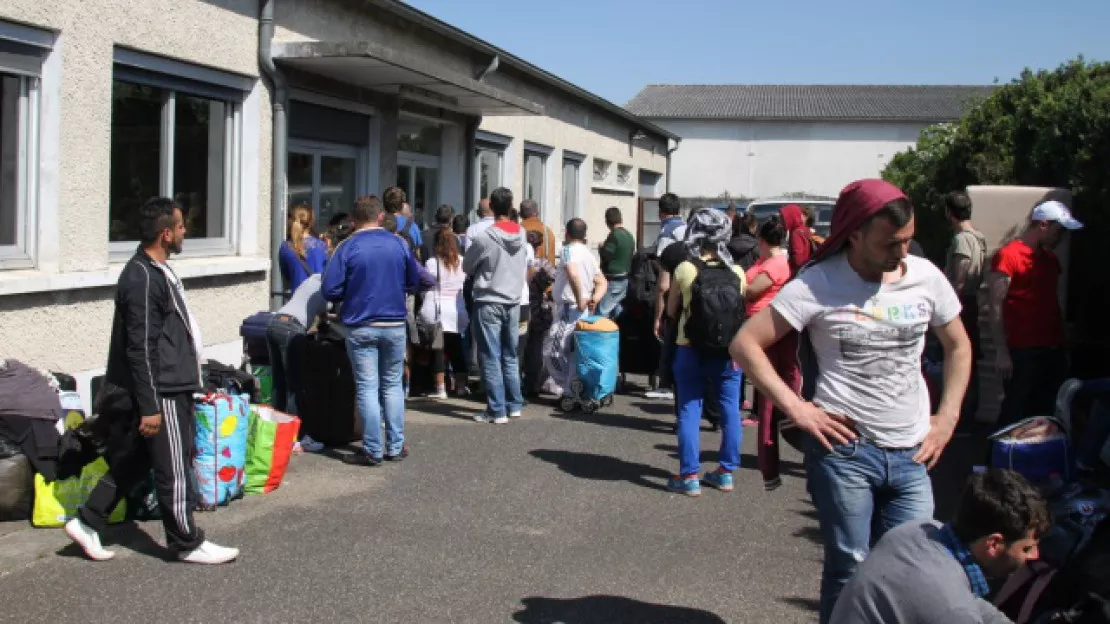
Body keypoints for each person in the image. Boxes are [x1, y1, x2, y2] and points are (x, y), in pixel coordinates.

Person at [730, 179, 972, 623]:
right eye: (890, 243)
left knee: (909, 569)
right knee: (850, 567)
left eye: (907, 240)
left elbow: (958, 345)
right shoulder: (819, 283)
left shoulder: (926, 277)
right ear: (854, 234)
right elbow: (746, 344)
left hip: (914, 451)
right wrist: (798, 409)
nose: (902, 253)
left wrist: (947, 417)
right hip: (845, 454)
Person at [68, 197, 238, 565]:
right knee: (173, 467)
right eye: (180, 227)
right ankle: (185, 542)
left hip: (169, 383)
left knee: (138, 461)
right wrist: (149, 406)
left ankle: (87, 519)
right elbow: (140, 348)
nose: (185, 232)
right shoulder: (142, 278)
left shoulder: (156, 270)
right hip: (161, 391)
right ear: (165, 233)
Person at [831, 468, 1049, 624]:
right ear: (993, 543)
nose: (1035, 555)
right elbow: (954, 607)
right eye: (1027, 548)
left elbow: (971, 603)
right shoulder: (951, 608)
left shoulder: (918, 530)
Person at [323, 196, 431, 466]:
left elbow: (329, 288)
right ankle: (394, 445)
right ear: (381, 216)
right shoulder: (398, 243)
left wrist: (351, 293)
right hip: (394, 322)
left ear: (353, 219)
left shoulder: (347, 247)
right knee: (392, 384)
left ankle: (372, 448)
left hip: (360, 324)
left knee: (367, 387)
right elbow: (414, 280)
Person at [665, 208, 746, 497]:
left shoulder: (686, 268)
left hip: (690, 349)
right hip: (729, 352)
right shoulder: (736, 272)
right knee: (729, 410)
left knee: (689, 409)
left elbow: (672, 309)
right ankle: (725, 472)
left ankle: (689, 476)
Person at [988, 199, 1082, 428]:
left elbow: (1054, 300)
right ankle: (999, 460)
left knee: (1046, 410)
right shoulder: (1009, 255)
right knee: (1015, 409)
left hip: (1053, 347)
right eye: (1058, 231)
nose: (1061, 238)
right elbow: (995, 304)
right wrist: (1001, 351)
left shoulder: (1050, 260)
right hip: (1023, 349)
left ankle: (1037, 460)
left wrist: (1064, 339)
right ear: (1043, 225)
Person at [462, 188, 528, 424]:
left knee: (490, 355)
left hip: (489, 298)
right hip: (513, 299)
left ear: (491, 206)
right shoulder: (522, 232)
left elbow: (467, 267)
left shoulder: (485, 236)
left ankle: (496, 409)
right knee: (510, 354)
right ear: (511, 207)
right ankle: (514, 403)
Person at [744, 217, 794, 491]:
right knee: (764, 393)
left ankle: (769, 455)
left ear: (762, 241)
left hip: (767, 331)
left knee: (768, 397)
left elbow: (752, 291)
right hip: (761, 328)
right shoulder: (771, 261)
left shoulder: (775, 264)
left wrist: (737, 284)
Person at [545, 218, 608, 399]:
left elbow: (572, 272)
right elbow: (602, 282)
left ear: (567, 233)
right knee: (573, 353)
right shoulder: (589, 254)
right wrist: (593, 299)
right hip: (581, 309)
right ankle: (573, 390)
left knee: (552, 351)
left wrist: (581, 297)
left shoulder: (568, 250)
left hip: (569, 307)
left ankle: (568, 387)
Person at [942, 191, 988, 428]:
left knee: (957, 357)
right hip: (972, 302)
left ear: (950, 213)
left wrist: (947, 304)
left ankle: (963, 417)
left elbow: (959, 277)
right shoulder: (978, 236)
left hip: (961, 304)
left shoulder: (962, 239)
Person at [421, 228, 469, 399]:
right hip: (457, 308)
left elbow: (427, 283)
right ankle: (462, 386)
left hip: (439, 310)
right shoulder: (462, 261)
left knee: (439, 350)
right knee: (456, 349)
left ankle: (441, 388)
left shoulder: (432, 263)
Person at [524, 229, 558, 396]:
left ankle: (525, 382)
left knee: (523, 346)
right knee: (540, 346)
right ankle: (538, 381)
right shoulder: (544, 263)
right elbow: (557, 277)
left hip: (523, 305)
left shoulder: (521, 261)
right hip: (540, 308)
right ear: (539, 245)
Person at [279, 204, 327, 294]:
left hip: (296, 301)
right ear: (311, 223)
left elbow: (285, 277)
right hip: (318, 301)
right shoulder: (322, 246)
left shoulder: (286, 248)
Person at [597, 207, 636, 319]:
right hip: (625, 279)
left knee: (602, 312)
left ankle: (602, 335)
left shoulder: (614, 235)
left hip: (614, 280)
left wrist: (601, 248)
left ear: (607, 221)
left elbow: (607, 256)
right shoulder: (629, 235)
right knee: (616, 310)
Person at [383, 186, 423, 254]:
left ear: (384, 204)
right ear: (402, 205)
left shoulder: (378, 224)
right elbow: (417, 254)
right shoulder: (412, 226)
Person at [780, 203, 815, 277]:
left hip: (798, 274)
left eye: (783, 217)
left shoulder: (796, 232)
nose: (782, 221)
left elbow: (798, 259)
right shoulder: (805, 229)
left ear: (791, 216)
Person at [520, 198, 556, 265]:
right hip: (543, 273)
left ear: (520, 214)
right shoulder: (548, 233)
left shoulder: (516, 232)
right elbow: (551, 263)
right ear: (537, 213)